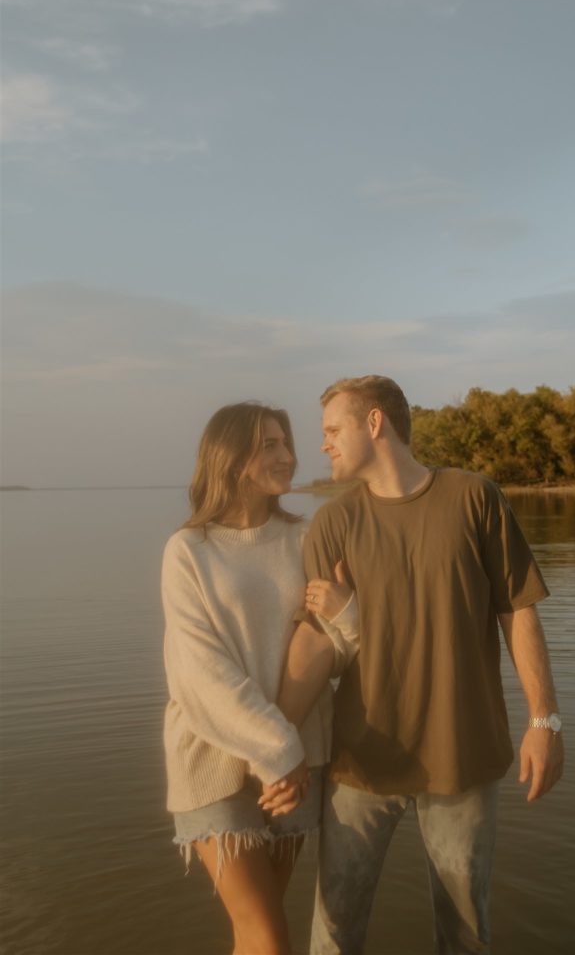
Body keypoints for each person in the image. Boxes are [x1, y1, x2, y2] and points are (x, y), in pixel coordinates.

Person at [297, 375, 564, 955]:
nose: (323, 445)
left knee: (466, 936)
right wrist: (272, 748)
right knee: (333, 936)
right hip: (360, 765)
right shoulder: (332, 526)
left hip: (461, 762)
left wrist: (544, 721)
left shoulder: (475, 497)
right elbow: (321, 653)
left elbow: (517, 610)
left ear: (375, 424)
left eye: (332, 430)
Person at [161, 402, 358, 955]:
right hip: (218, 760)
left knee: (257, 928)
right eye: (268, 444)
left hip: (296, 765)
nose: (288, 456)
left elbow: (336, 648)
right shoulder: (189, 551)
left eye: (285, 442)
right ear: (230, 457)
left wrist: (348, 617)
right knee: (267, 934)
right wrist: (279, 750)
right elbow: (199, 673)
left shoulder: (307, 538)